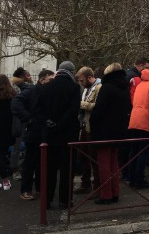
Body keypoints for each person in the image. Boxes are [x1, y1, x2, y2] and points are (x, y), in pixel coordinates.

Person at [34, 61, 81, 209]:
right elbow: (74, 110)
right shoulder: (74, 87)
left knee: (49, 169)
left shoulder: (46, 87)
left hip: (49, 134)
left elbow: (37, 109)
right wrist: (61, 124)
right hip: (68, 134)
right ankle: (65, 200)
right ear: (71, 72)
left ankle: (46, 200)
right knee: (67, 169)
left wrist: (48, 122)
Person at [90, 63, 131, 204]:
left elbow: (98, 110)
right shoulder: (125, 87)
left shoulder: (106, 88)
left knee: (104, 164)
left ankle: (106, 194)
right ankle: (115, 192)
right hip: (119, 130)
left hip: (104, 131)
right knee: (113, 162)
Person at [12, 69, 54, 200]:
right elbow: (16, 103)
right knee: (30, 163)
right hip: (33, 131)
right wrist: (27, 118)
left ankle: (40, 188)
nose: (53, 83)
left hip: (44, 130)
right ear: (42, 80)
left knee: (41, 163)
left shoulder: (48, 92)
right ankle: (26, 190)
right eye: (50, 80)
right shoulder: (31, 91)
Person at [127, 68, 149, 189]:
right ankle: (139, 179)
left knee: (134, 151)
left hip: (133, 120)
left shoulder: (140, 85)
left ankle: (131, 178)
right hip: (145, 122)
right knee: (143, 152)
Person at [74, 67, 102, 195]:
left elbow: (97, 106)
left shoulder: (99, 88)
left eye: (82, 80)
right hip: (85, 125)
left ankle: (97, 186)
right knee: (82, 155)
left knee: (93, 157)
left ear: (90, 77)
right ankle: (86, 183)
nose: (81, 83)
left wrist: (81, 104)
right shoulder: (86, 89)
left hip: (93, 126)